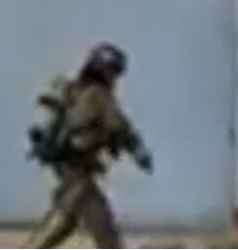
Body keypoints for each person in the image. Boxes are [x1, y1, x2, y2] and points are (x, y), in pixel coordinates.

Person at [24, 42, 152, 249]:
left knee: (67, 221)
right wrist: (139, 153)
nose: (115, 78)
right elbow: (121, 128)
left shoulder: (73, 91)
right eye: (113, 72)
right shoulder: (98, 96)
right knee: (103, 230)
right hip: (78, 171)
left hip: (67, 168)